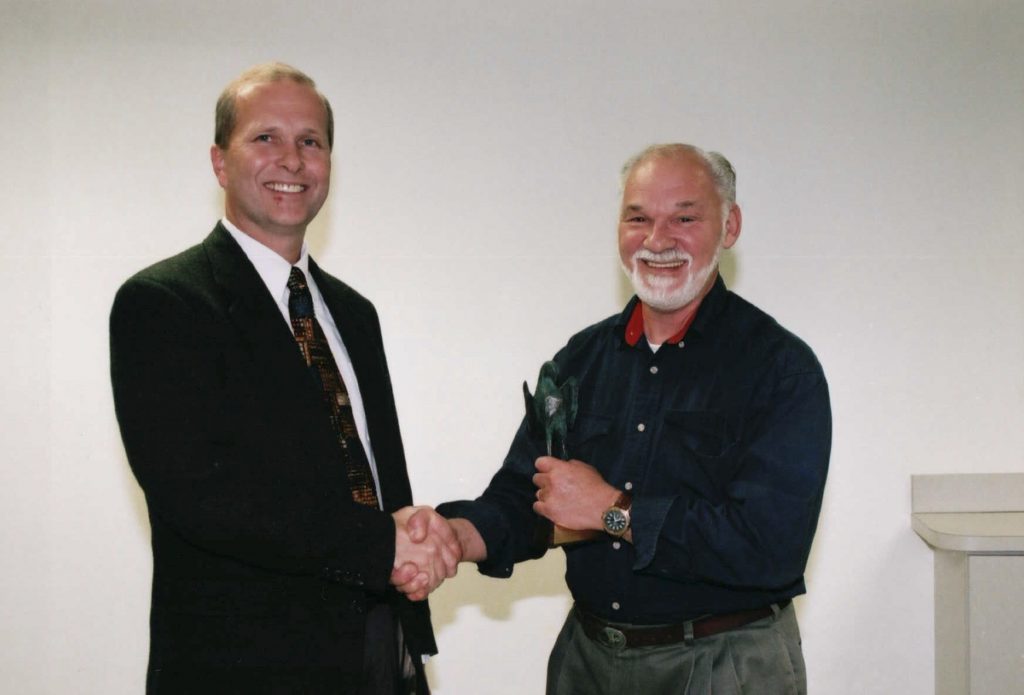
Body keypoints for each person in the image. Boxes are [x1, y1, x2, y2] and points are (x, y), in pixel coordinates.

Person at [416, 144, 831, 694]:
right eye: (638, 218)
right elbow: (526, 497)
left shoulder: (780, 369)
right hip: (587, 662)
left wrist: (614, 511)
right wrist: (454, 536)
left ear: (729, 226)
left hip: (723, 666)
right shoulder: (579, 360)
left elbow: (769, 548)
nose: (657, 240)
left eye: (684, 218)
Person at [110, 62, 458, 694]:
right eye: (265, 137)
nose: (292, 160)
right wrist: (381, 545)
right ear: (220, 162)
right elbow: (201, 495)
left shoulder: (353, 313)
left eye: (311, 141)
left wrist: (412, 541)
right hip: (243, 668)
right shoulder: (163, 304)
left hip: (378, 650)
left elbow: (374, 478)